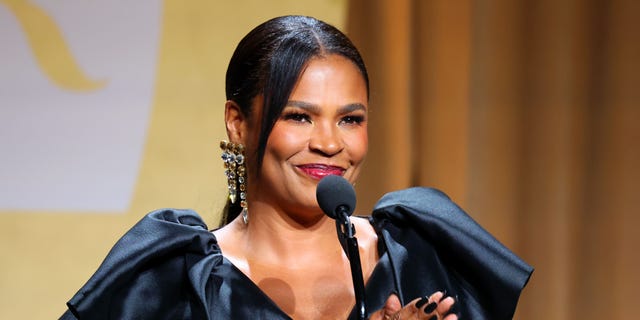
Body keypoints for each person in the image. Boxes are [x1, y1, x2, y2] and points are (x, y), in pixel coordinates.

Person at [60, 15, 532, 320]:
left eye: (350, 119)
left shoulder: (420, 257)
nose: (329, 143)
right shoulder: (169, 280)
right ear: (238, 123)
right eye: (299, 116)